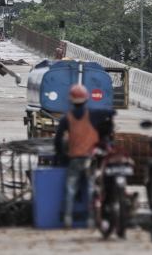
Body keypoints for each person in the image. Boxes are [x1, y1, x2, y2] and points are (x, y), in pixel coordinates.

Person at [54, 84, 116, 228]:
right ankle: (90, 221)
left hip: (74, 159)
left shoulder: (66, 118)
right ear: (86, 99)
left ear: (70, 100)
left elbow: (58, 140)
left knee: (70, 190)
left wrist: (61, 156)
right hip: (91, 159)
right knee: (90, 189)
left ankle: (68, 220)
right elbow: (112, 112)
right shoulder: (93, 114)